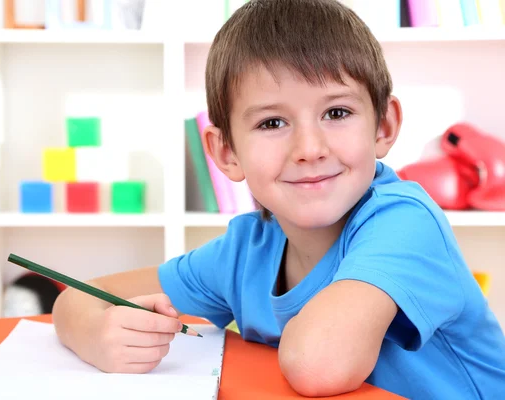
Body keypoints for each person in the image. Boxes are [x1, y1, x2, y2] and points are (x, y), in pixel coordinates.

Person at [52, 0, 505, 398]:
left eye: (337, 112)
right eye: (272, 123)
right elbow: (81, 296)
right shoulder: (246, 250)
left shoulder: (406, 222)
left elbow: (318, 367)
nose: (309, 148)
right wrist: (97, 333)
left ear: (383, 127)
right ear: (226, 152)